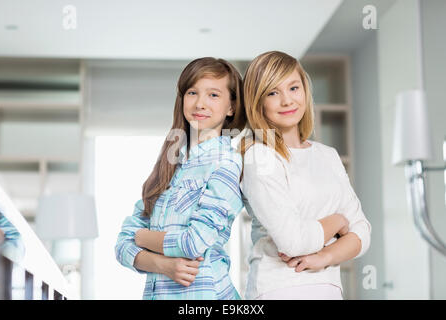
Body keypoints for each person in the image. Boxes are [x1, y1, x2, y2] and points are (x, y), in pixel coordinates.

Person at [240, 51, 371, 300]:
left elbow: (362, 233)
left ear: (305, 90)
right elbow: (293, 242)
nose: (287, 100)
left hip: (329, 288)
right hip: (280, 289)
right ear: (258, 102)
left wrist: (324, 257)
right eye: (273, 93)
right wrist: (338, 221)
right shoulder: (260, 156)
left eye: (293, 88)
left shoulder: (328, 155)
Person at [115, 57, 246, 300]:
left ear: (231, 107)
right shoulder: (168, 166)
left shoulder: (226, 163)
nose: (200, 103)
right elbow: (122, 245)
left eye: (213, 95)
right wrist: (163, 265)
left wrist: (142, 238)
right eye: (192, 92)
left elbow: (193, 243)